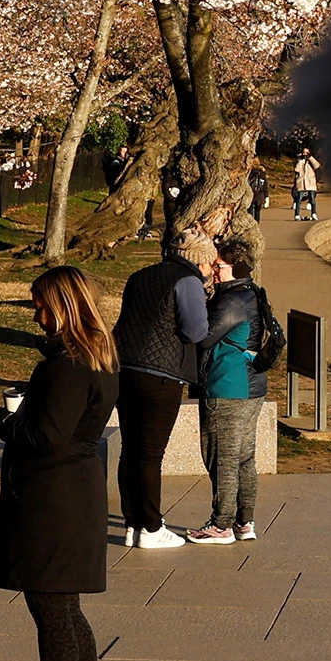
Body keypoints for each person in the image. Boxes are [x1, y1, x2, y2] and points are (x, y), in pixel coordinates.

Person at [0, 267, 121, 661]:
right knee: (68, 608)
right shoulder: (97, 357)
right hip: (74, 492)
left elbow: (46, 436)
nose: (36, 314)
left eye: (40, 305)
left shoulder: (66, 365)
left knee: (52, 610)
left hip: (52, 499)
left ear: (62, 307)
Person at [112, 231, 213, 548]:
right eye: (208, 259)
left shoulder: (139, 275)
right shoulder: (189, 282)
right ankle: (152, 528)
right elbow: (196, 330)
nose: (211, 266)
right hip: (161, 375)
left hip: (124, 368)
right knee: (150, 454)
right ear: (196, 257)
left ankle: (132, 523)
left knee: (130, 449)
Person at [186, 240, 272, 544]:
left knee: (221, 456)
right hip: (251, 386)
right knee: (244, 458)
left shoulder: (231, 300)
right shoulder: (250, 293)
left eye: (219, 266)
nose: (214, 271)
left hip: (228, 386)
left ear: (235, 268)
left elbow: (203, 337)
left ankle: (221, 525)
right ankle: (243, 522)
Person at [293, 147, 321, 220]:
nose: (305, 154)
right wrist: (301, 160)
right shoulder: (299, 161)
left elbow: (317, 166)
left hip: (310, 183)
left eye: (307, 152)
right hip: (301, 183)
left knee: (312, 200)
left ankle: (314, 213)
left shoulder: (311, 161)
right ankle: (297, 214)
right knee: (299, 199)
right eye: (304, 152)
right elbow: (296, 169)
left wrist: (310, 158)